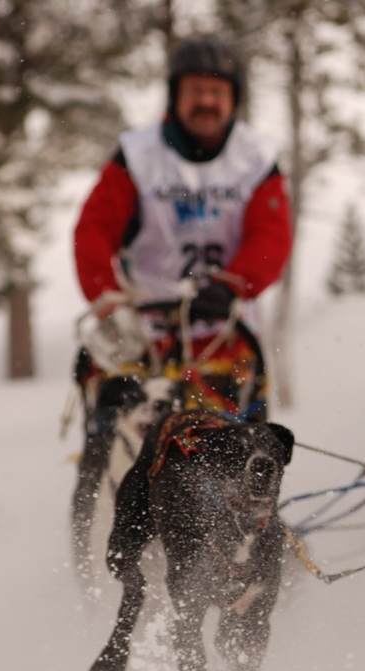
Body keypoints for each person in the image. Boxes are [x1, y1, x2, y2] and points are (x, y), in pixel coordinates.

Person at [70, 34, 293, 568]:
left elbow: (272, 235)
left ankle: (256, 554)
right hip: (143, 327)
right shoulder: (137, 155)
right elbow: (94, 230)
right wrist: (106, 298)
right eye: (196, 90)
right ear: (175, 95)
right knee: (109, 425)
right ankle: (91, 538)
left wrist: (234, 282)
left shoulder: (256, 158)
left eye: (218, 92)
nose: (207, 102)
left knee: (247, 443)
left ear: (234, 99)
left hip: (224, 329)